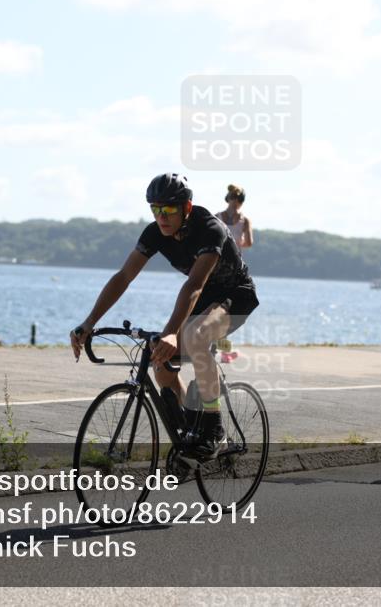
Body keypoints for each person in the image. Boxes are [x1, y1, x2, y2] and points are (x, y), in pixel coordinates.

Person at [70, 173, 259, 458]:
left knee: (196, 337)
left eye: (168, 209)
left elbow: (194, 285)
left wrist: (171, 331)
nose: (161, 217)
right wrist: (88, 323)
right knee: (160, 362)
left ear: (186, 207)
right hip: (203, 298)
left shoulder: (210, 229)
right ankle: (188, 435)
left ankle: (214, 429)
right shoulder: (155, 232)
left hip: (237, 295)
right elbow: (124, 276)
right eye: (155, 209)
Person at [215, 184, 254, 362]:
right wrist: (238, 242)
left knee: (222, 309)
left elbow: (249, 243)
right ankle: (221, 350)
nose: (235, 204)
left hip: (227, 267)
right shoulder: (227, 218)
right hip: (225, 267)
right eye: (235, 200)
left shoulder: (238, 220)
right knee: (220, 309)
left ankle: (222, 350)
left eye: (235, 201)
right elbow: (248, 243)